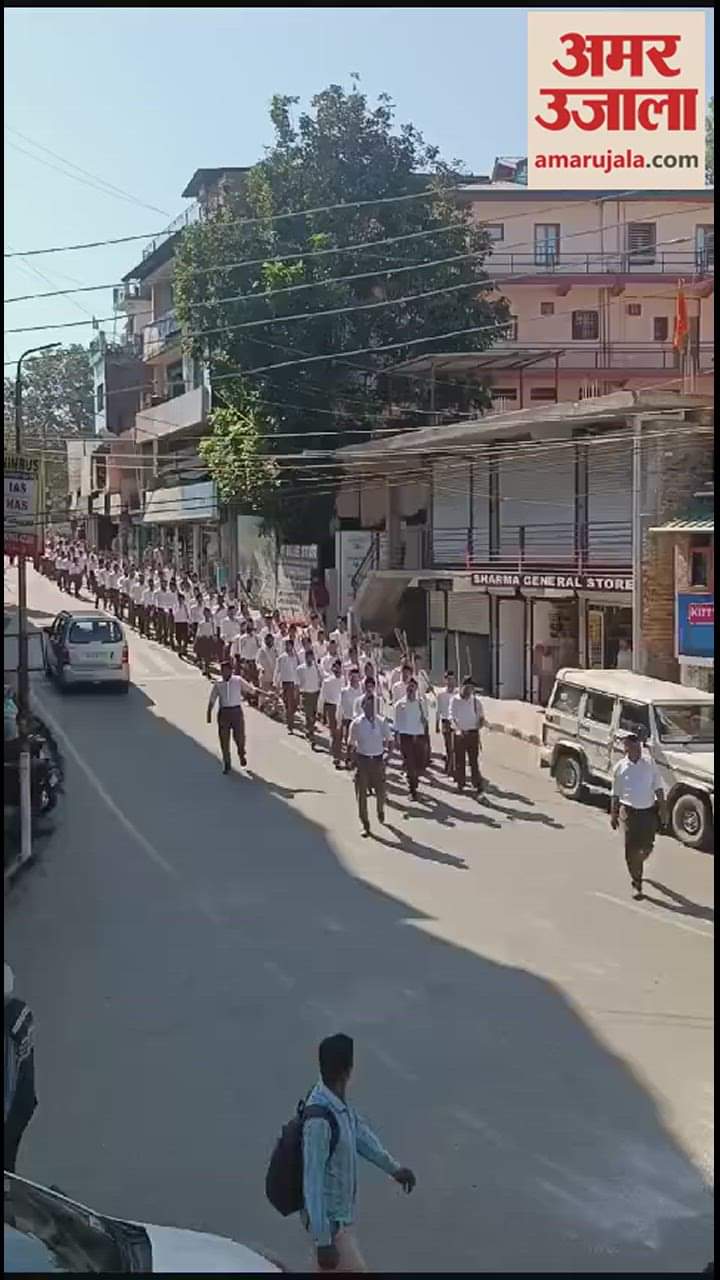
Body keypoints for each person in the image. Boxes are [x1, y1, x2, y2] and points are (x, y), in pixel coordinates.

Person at [303, 1033, 415, 1272]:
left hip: (340, 1224)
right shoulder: (319, 1121)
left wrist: (395, 1169)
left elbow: (362, 1137)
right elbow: (312, 1182)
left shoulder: (337, 1105)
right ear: (348, 1070)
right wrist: (323, 1241)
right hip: (330, 1229)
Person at [610, 734, 667, 899]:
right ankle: (637, 883)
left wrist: (663, 810)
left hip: (648, 812)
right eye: (632, 747)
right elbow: (615, 794)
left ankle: (639, 862)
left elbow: (658, 787)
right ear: (626, 748)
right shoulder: (620, 768)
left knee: (647, 847)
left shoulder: (649, 763)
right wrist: (613, 815)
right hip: (629, 813)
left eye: (638, 747)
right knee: (631, 850)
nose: (637, 750)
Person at [4, 964, 37, 1174]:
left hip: (10, 1107)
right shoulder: (22, 1012)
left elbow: (9, 1077)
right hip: (24, 1100)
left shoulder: (8, 1029)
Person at [348, 694, 393, 836]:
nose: (371, 708)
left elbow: (390, 740)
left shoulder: (381, 722)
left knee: (381, 792)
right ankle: (365, 823)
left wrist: (388, 755)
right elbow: (351, 744)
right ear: (363, 707)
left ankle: (380, 810)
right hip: (363, 761)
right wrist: (351, 759)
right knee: (361, 795)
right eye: (368, 705)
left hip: (378, 761)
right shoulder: (356, 723)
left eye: (373, 705)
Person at [206, 660, 259, 773]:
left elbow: (252, 690)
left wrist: (266, 694)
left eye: (225, 670)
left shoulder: (238, 680)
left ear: (230, 670)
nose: (223, 673)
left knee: (240, 737)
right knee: (224, 740)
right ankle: (227, 763)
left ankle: (241, 753)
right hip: (224, 713)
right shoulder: (218, 683)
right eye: (222, 670)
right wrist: (209, 713)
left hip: (236, 713)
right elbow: (212, 699)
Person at [394, 677, 430, 801]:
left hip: (418, 736)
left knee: (419, 763)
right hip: (406, 737)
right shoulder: (400, 704)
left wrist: (424, 720)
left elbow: (426, 719)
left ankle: (414, 780)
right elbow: (397, 723)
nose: (411, 690)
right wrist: (396, 737)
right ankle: (412, 789)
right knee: (410, 764)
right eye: (409, 687)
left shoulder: (421, 702)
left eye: (413, 687)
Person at [450, 676, 485, 796]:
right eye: (467, 687)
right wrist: (457, 730)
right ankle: (460, 784)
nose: (469, 690)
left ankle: (477, 783)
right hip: (460, 734)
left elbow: (481, 717)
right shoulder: (454, 700)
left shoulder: (476, 701)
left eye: (471, 688)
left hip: (472, 734)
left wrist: (480, 723)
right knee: (459, 761)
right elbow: (452, 717)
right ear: (462, 686)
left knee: (473, 761)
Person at [318, 659, 345, 768]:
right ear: (332, 668)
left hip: (342, 708)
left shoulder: (345, 680)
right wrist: (320, 711)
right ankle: (336, 756)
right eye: (335, 667)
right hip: (331, 707)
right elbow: (322, 696)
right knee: (335, 733)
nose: (337, 669)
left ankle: (339, 752)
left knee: (341, 733)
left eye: (339, 667)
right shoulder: (327, 681)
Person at [275, 638, 300, 734]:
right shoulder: (282, 658)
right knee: (288, 704)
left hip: (294, 683)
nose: (288, 647)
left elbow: (297, 671)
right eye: (287, 645)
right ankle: (290, 725)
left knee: (293, 704)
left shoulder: (295, 658)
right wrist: (276, 682)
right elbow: (277, 671)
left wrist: (298, 684)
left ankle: (290, 720)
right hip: (285, 683)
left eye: (290, 645)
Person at [435, 671, 457, 777]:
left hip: (456, 722)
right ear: (445, 680)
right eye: (448, 679)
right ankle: (449, 768)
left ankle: (451, 768)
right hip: (445, 722)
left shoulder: (457, 694)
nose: (450, 681)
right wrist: (436, 724)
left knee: (455, 747)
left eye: (452, 679)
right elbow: (438, 710)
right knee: (449, 746)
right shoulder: (441, 694)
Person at [194, 607, 216, 678]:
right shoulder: (201, 623)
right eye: (205, 613)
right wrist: (197, 640)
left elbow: (213, 632)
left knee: (208, 656)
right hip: (203, 640)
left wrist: (214, 638)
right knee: (204, 655)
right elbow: (198, 632)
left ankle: (207, 666)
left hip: (209, 639)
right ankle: (205, 668)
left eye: (208, 613)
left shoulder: (212, 623)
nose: (207, 614)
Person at [173, 592, 192, 657]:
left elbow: (188, 614)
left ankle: (184, 648)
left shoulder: (186, 605)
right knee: (178, 636)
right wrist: (179, 606)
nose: (180, 600)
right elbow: (174, 612)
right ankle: (180, 647)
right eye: (179, 599)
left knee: (186, 636)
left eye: (182, 599)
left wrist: (189, 622)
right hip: (178, 622)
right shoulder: (175, 605)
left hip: (184, 622)